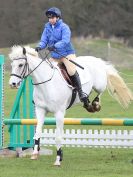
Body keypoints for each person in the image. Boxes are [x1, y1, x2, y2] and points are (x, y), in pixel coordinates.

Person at [35, 7, 88, 105]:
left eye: (52, 18)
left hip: (67, 53)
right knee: (47, 70)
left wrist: (54, 46)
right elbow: (44, 40)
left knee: (71, 71)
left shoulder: (64, 27)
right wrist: (39, 46)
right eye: (49, 18)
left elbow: (65, 41)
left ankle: (81, 93)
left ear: (58, 17)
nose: (50, 20)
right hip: (55, 56)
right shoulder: (47, 27)